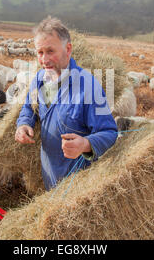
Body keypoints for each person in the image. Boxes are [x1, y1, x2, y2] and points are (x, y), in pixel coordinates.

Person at [14, 16, 118, 190]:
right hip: (50, 172)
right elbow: (29, 108)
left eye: (50, 51)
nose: (44, 59)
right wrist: (24, 124)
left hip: (78, 183)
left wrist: (85, 144)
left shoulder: (88, 86)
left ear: (68, 49)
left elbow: (109, 132)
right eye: (40, 53)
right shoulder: (39, 79)